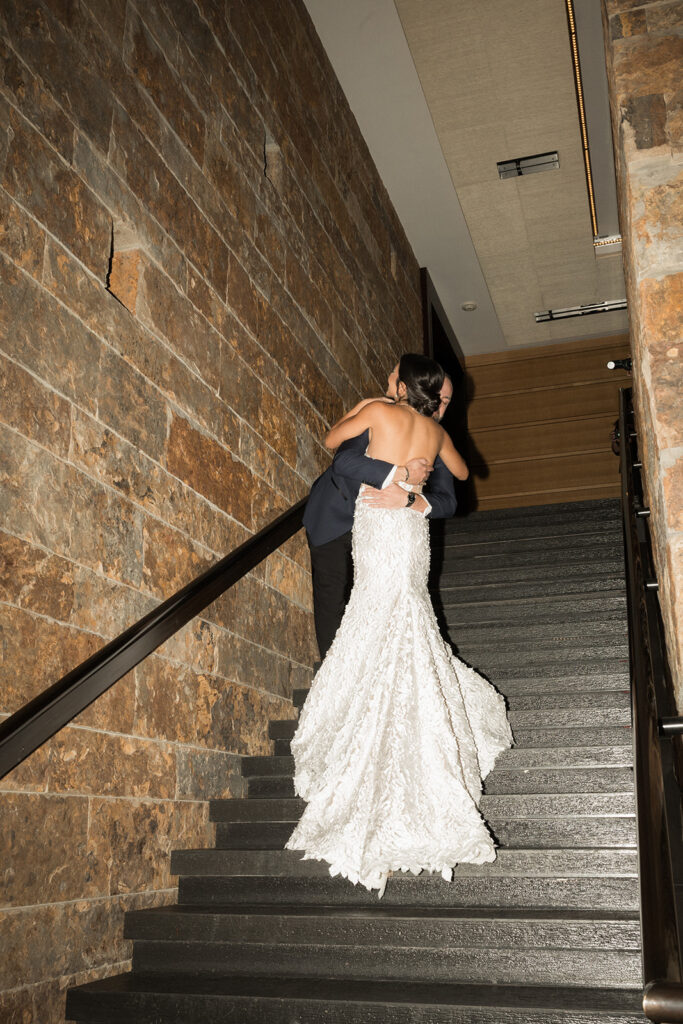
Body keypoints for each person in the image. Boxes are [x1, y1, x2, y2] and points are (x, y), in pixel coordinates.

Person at [286, 354, 513, 897]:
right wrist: (408, 475)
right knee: (405, 611)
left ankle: (361, 702)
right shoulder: (436, 432)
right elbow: (464, 473)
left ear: (401, 384)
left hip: (385, 525)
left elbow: (333, 442)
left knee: (376, 609)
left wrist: (404, 487)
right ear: (431, 395)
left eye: (392, 377)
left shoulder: (378, 410)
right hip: (406, 537)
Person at [303, 363, 457, 660]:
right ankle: (336, 672)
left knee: (387, 596)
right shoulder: (380, 414)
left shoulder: (435, 438)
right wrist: (401, 472)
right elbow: (344, 458)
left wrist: (409, 500)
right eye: (436, 396)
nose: (438, 405)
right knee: (332, 597)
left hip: (391, 530)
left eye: (446, 401)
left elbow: (448, 501)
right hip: (334, 513)